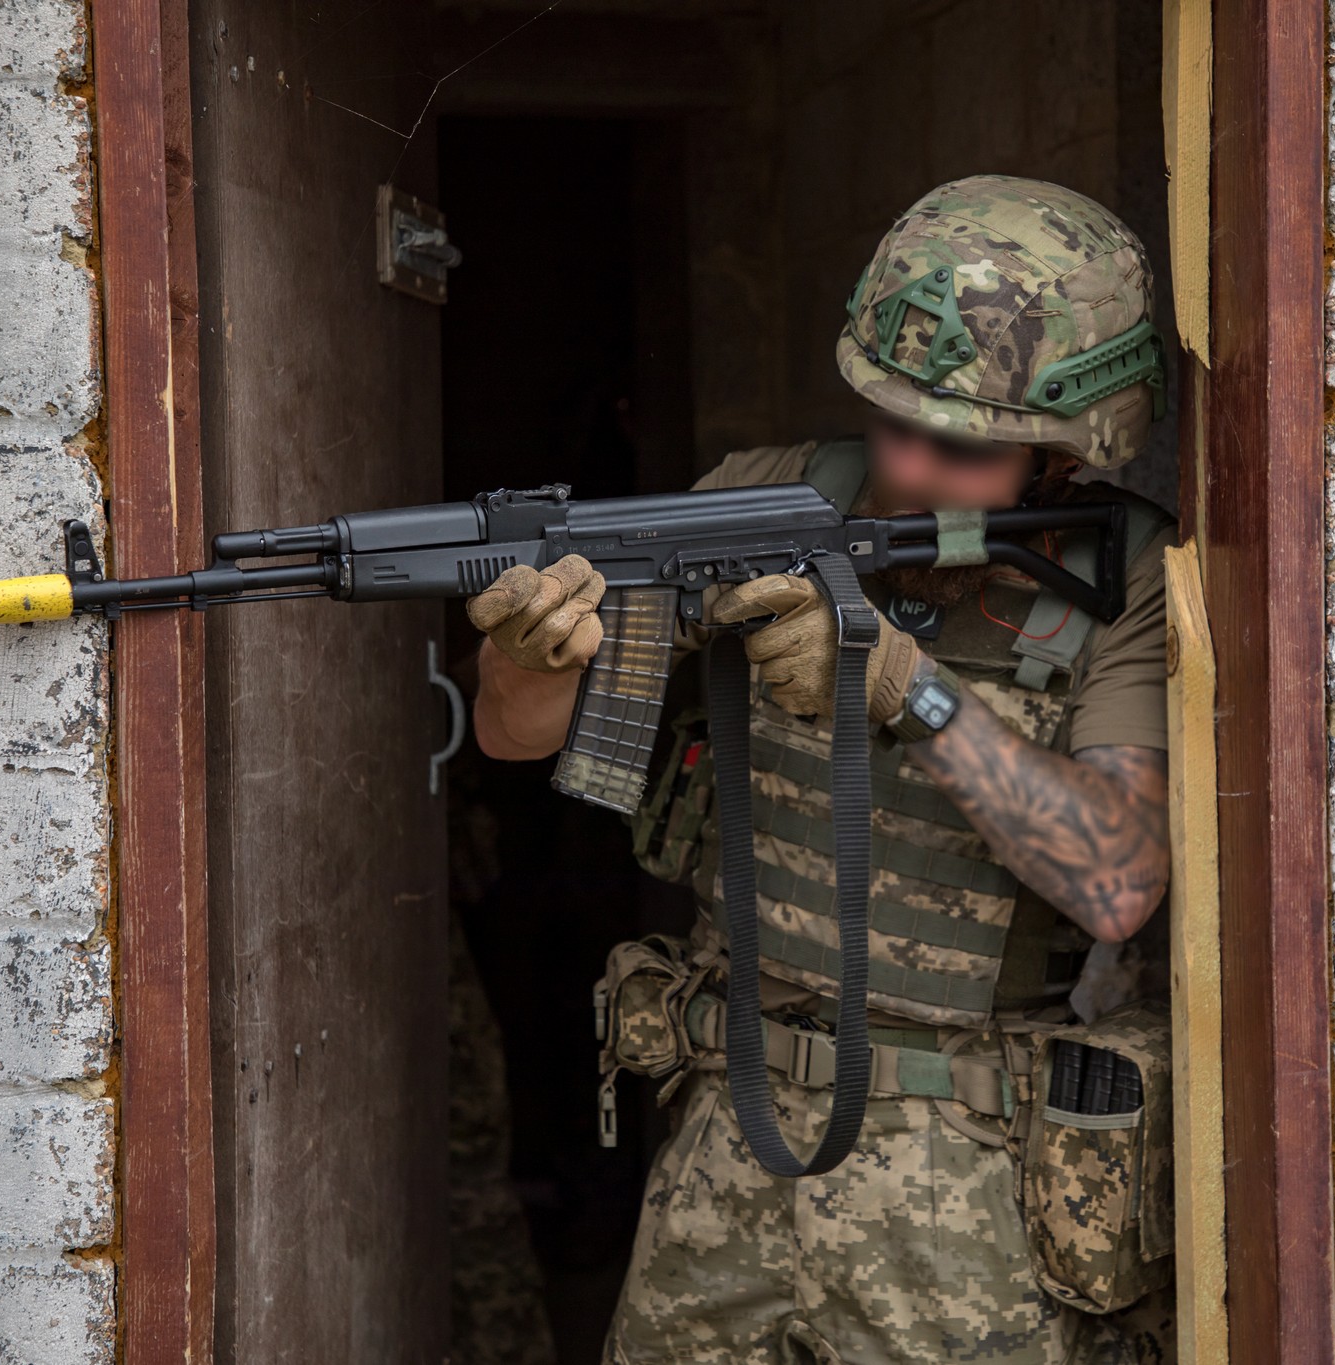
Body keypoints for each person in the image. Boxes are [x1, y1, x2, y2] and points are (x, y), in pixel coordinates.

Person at [469, 175, 1178, 1365]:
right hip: (727, 1132)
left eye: (958, 448)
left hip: (968, 1176)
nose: (906, 468)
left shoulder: (1130, 587)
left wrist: (903, 686)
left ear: (1065, 453)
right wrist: (526, 653)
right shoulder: (761, 493)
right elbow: (513, 737)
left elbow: (1113, 881)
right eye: (891, 423)